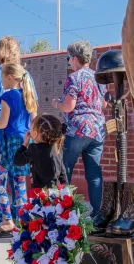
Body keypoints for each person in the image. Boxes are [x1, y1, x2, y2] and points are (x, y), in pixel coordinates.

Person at [0, 36, 38, 230]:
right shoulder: (25, 76)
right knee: (18, 180)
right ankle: (20, 219)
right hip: (21, 137)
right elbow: (33, 109)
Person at [51, 40, 107, 217]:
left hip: (77, 130)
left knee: (65, 169)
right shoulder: (98, 77)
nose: (68, 61)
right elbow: (104, 104)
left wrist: (56, 104)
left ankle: (65, 212)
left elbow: (68, 106)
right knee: (94, 174)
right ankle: (97, 214)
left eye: (68, 58)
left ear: (75, 58)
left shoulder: (74, 78)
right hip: (97, 130)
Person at [14, 114, 68, 188]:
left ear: (35, 133)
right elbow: (62, 171)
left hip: (40, 194)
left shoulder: (34, 149)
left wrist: (24, 144)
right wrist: (66, 188)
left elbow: (18, 160)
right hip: (55, 192)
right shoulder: (57, 148)